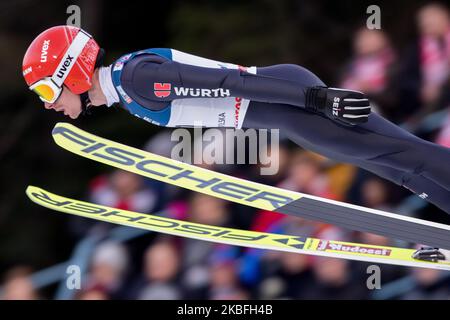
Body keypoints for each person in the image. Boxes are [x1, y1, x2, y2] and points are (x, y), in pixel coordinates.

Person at [22, 26, 450, 218]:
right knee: (398, 169)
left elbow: (231, 82)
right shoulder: (126, 90)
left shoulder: (137, 78)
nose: (48, 105)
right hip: (281, 111)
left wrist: (316, 98)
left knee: (402, 156)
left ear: (70, 72)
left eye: (46, 91)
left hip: (285, 102)